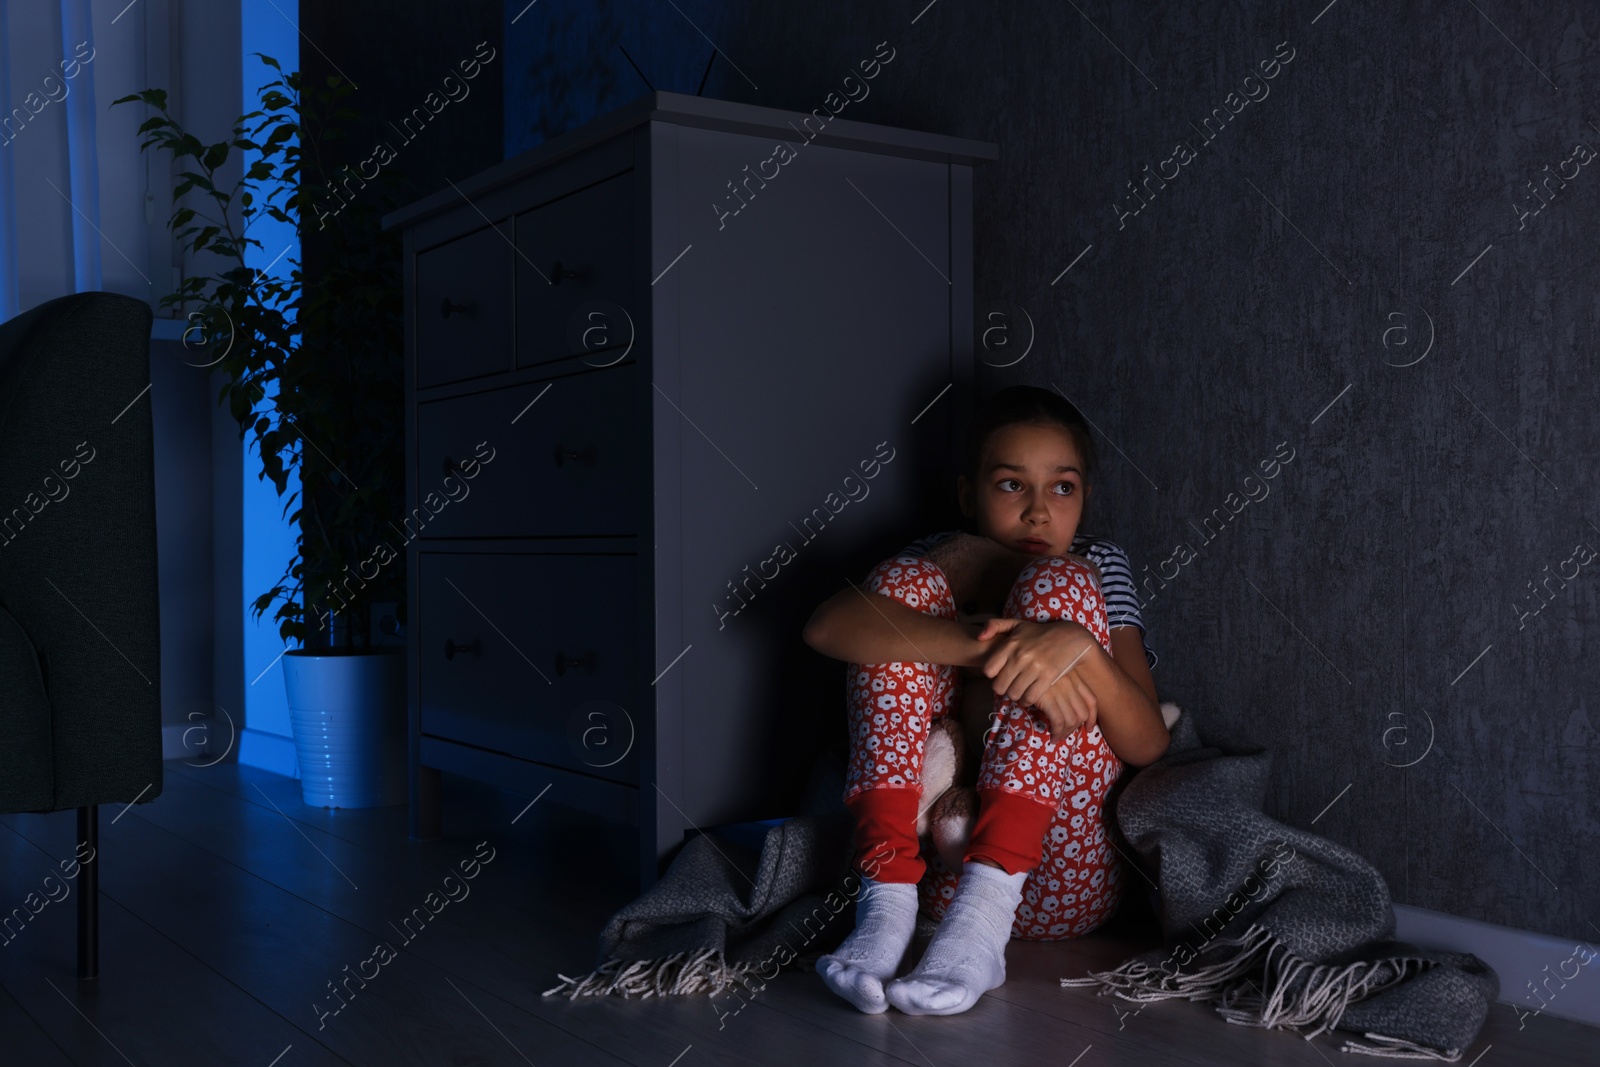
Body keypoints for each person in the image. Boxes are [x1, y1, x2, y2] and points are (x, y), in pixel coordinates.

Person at [801, 384, 1169, 1016]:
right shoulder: (939, 556)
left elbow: (1147, 743)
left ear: (1084, 498)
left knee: (1061, 584)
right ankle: (883, 904)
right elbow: (826, 628)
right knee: (898, 584)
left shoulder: (1098, 563)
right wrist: (997, 650)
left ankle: (985, 925)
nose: (1037, 512)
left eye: (1062, 487)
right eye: (1009, 484)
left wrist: (1074, 647)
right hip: (933, 883)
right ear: (970, 494)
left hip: (1064, 877)